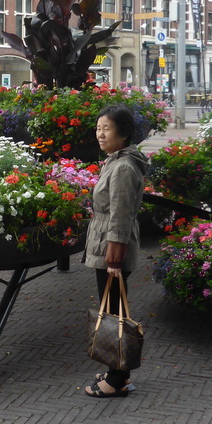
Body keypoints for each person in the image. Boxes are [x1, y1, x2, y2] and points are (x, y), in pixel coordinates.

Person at [83, 104, 150, 398]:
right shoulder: (115, 160)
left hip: (112, 249)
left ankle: (117, 378)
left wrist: (114, 258)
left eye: (106, 128)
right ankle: (115, 369)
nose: (100, 134)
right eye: (98, 128)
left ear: (122, 134)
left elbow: (121, 215)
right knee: (111, 309)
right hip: (106, 244)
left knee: (114, 313)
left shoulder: (122, 167)